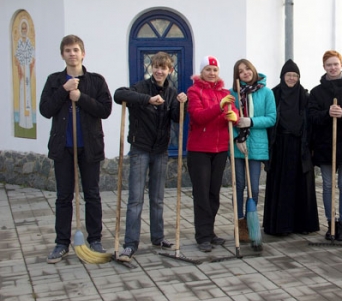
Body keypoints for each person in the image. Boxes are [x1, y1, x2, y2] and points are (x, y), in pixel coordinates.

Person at [39, 34, 112, 264]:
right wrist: (64, 90)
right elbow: (45, 109)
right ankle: (61, 243)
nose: (72, 54)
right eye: (68, 50)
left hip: (89, 146)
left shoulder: (96, 81)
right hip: (64, 147)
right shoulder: (54, 81)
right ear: (63, 54)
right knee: (63, 197)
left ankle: (95, 239)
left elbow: (105, 109)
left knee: (92, 194)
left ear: (83, 53)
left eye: (76, 50)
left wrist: (79, 97)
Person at [113, 52, 187, 262]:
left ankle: (158, 237)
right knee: (135, 198)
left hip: (160, 150)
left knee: (157, 198)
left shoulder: (172, 92)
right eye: (156, 66)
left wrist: (183, 103)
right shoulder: (140, 88)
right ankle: (130, 243)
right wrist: (147, 100)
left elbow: (176, 118)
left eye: (163, 68)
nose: (159, 71)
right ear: (151, 68)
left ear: (169, 70)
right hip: (140, 149)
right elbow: (119, 95)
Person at [308, 50, 342, 241]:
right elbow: (312, 116)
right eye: (328, 65)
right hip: (325, 145)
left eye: (335, 64)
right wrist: (327, 113)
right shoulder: (316, 92)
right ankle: (330, 222)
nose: (332, 68)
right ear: (324, 67)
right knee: (327, 185)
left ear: (341, 65)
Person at [186, 56, 239, 252]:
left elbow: (233, 112)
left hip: (220, 149)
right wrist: (219, 107)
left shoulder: (224, 92)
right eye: (208, 70)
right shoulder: (194, 91)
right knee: (201, 194)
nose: (212, 73)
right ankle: (202, 236)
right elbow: (199, 117)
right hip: (200, 150)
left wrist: (234, 116)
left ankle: (210, 231)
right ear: (202, 72)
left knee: (213, 193)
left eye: (215, 70)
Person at [263, 59, 320, 235]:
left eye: (295, 75)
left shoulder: (305, 96)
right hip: (280, 146)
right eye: (289, 75)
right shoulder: (274, 94)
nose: (292, 78)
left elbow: (311, 122)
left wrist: (311, 146)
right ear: (282, 76)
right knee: (281, 185)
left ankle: (302, 225)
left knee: (301, 186)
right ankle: (281, 225)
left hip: (300, 147)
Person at [231, 59, 277, 243]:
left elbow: (271, 118)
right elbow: (228, 118)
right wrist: (237, 138)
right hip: (238, 147)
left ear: (253, 70)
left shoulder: (266, 93)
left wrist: (250, 121)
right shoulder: (232, 94)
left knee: (254, 188)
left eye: (247, 69)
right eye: (240, 71)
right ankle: (240, 224)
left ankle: (251, 220)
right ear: (237, 75)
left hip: (256, 146)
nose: (245, 73)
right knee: (239, 185)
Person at [14, 20, 35, 129]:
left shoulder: (28, 42)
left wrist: (29, 69)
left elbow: (32, 56)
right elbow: (16, 57)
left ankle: (29, 122)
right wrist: (19, 68)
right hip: (22, 69)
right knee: (22, 93)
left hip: (27, 69)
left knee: (28, 95)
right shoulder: (19, 43)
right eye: (22, 29)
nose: (23, 30)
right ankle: (22, 121)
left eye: (25, 28)